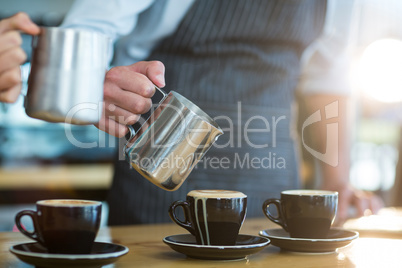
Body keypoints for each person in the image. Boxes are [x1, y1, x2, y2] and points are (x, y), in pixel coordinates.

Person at [0, 0, 383, 225]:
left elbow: (328, 81)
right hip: (158, 162)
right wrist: (87, 77)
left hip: (270, 167)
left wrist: (337, 181)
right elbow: (91, 26)